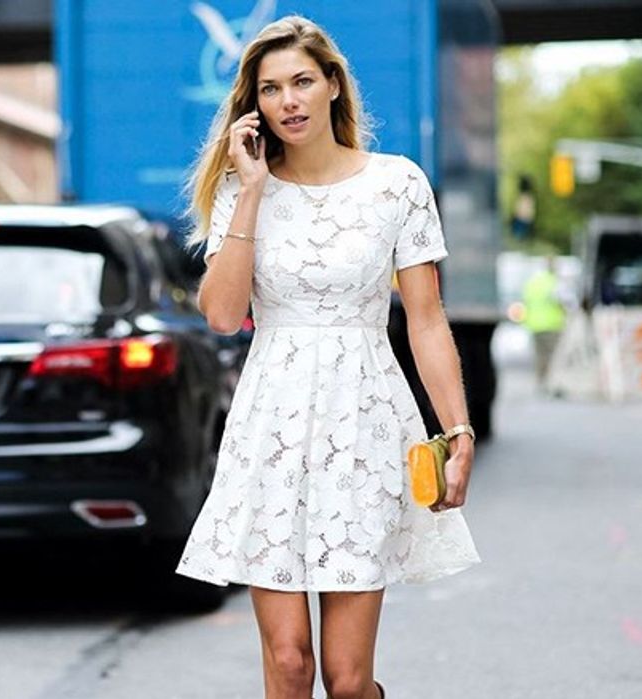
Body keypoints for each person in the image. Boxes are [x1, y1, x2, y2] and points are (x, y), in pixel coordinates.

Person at [175, 16, 480, 699]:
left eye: (302, 82)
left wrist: (456, 431)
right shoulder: (241, 190)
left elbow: (426, 322)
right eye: (272, 88)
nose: (289, 100)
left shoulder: (396, 185)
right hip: (271, 430)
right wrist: (251, 188)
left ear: (333, 85)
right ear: (253, 105)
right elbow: (223, 315)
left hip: (363, 425)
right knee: (288, 664)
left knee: (345, 681)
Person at [521, 257, 566, 391]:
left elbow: (525, 303)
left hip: (535, 325)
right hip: (552, 325)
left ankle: (541, 382)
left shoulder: (532, 283)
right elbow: (562, 301)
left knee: (540, 356)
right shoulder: (554, 283)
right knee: (553, 356)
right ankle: (552, 384)